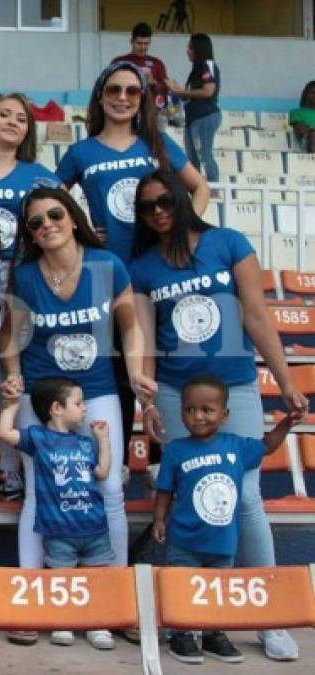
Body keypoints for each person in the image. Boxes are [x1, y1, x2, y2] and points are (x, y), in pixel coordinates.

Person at [130, 169, 306, 662]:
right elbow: (144, 337)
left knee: (245, 496)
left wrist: (287, 382)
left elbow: (256, 314)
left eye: (166, 201)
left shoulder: (228, 242)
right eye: (148, 208)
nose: (159, 212)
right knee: (187, 497)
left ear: (184, 198)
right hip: (174, 393)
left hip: (237, 389)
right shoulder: (143, 267)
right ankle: (189, 614)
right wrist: (146, 402)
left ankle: (270, 617)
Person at [0, 186, 156, 647]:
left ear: (72, 216)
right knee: (38, 494)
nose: (46, 224)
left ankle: (113, 601)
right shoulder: (25, 276)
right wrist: (11, 380)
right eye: (35, 222)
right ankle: (32, 603)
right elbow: (9, 336)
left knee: (108, 489)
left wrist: (135, 372)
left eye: (54, 214)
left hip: (98, 390)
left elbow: (130, 326)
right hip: (42, 393)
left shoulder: (108, 265)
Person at [153, 376, 300, 665]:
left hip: (223, 539)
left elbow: (267, 446)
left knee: (217, 587)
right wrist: (159, 520)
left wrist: (284, 424)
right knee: (183, 586)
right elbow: (164, 490)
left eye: (207, 410)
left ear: (224, 414)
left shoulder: (237, 446)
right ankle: (181, 634)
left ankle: (212, 632)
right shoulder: (175, 450)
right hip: (184, 539)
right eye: (189, 410)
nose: (197, 417)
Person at [0, 92, 59, 500]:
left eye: (21, 117)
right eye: (3, 114)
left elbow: (62, 223)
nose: (11, 121)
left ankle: (9, 466)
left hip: (25, 281)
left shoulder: (39, 176)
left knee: (16, 377)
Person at [0, 378, 114, 649]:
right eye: (78, 403)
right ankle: (63, 621)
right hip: (59, 531)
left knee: (95, 580)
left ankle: (97, 623)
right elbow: (4, 432)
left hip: (95, 527)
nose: (84, 408)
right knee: (62, 582)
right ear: (56, 409)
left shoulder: (85, 442)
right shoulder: (39, 438)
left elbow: (102, 472)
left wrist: (103, 441)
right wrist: (12, 403)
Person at [57, 61, 208, 265]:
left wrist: (182, 227)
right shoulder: (80, 152)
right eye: (113, 90)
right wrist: (81, 232)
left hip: (161, 258)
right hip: (109, 261)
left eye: (132, 91)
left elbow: (200, 187)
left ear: (142, 98)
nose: (122, 97)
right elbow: (50, 200)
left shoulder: (159, 142)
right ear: (100, 97)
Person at [166, 33, 222, 180]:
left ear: (199, 49)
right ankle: (196, 189)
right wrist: (177, 89)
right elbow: (190, 95)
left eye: (190, 47)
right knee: (192, 158)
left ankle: (214, 188)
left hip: (205, 116)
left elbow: (208, 91)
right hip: (193, 118)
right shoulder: (196, 70)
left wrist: (181, 91)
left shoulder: (207, 65)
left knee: (204, 154)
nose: (187, 51)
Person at [111, 22, 169, 118]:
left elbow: (165, 89)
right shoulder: (119, 62)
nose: (143, 47)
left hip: (149, 114)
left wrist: (153, 82)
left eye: (146, 44)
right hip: (125, 112)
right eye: (139, 43)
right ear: (131, 42)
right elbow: (110, 86)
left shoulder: (157, 63)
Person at [289, 80, 315, 153]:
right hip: (307, 142)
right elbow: (300, 131)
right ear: (306, 94)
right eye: (313, 93)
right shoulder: (296, 112)